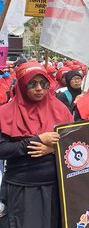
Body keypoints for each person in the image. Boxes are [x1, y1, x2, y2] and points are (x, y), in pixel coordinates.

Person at [0, 62, 73, 227]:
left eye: (44, 84)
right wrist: (35, 141)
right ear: (22, 86)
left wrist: (53, 149)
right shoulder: (5, 112)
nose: (39, 88)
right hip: (23, 189)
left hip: (57, 187)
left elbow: (74, 144)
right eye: (33, 84)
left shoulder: (60, 109)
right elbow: (2, 150)